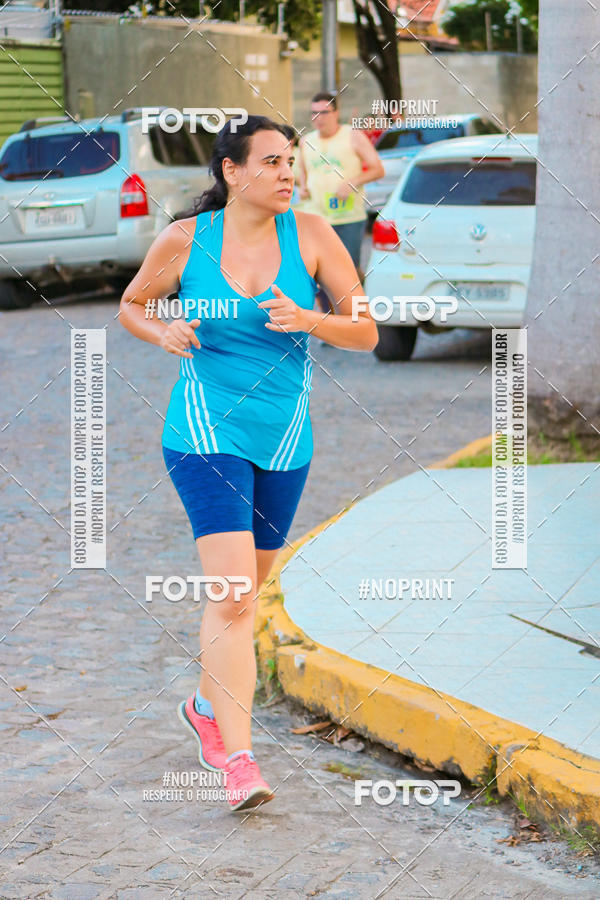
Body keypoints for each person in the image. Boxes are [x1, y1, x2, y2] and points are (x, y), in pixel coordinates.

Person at [119, 115, 377, 812]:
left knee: (248, 593)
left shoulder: (315, 237)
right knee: (232, 594)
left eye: (291, 161)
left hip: (286, 438)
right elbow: (132, 305)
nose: (288, 172)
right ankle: (237, 759)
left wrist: (310, 319)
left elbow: (366, 329)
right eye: (271, 161)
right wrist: (162, 327)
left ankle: (205, 705)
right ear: (232, 171)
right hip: (204, 431)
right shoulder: (186, 241)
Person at [298, 91, 385, 312]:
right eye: (314, 113)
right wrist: (304, 187)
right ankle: (331, 318)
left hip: (348, 217)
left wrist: (352, 183)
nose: (319, 118)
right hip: (317, 218)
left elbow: (378, 169)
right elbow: (303, 176)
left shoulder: (352, 136)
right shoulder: (306, 141)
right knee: (317, 271)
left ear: (336, 113)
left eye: (324, 112)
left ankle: (360, 299)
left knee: (348, 269)